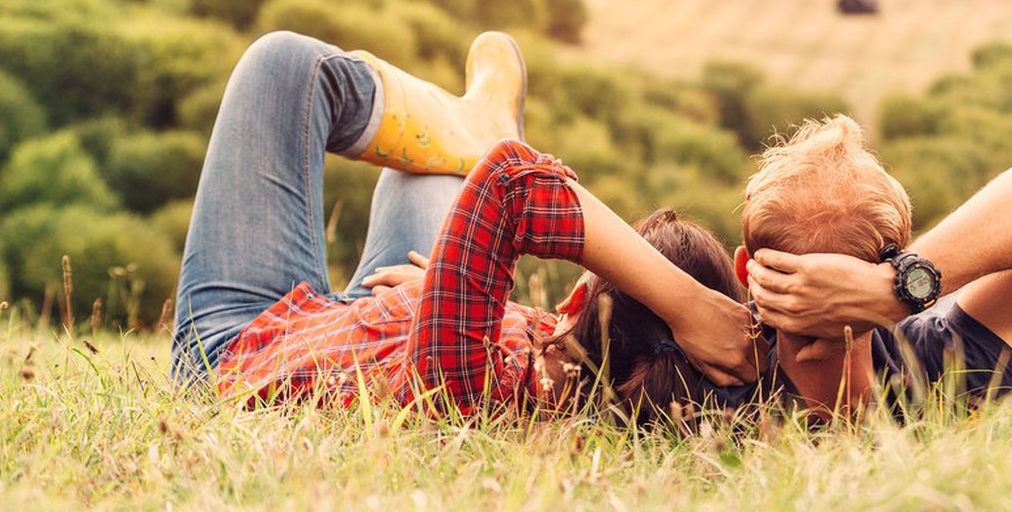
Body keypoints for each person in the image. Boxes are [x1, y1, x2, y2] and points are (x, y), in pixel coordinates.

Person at [171, 31, 763, 420]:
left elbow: (509, 180)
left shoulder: (463, 378)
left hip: (241, 354)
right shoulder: (546, 377)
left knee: (286, 69)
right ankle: (467, 130)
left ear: (578, 295)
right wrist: (441, 295)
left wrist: (687, 304)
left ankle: (478, 126)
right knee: (426, 178)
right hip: (366, 334)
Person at [736, 116, 1012, 419]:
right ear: (904, 257)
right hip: (939, 332)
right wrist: (901, 287)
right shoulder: (944, 369)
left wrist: (888, 290)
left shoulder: (714, 381)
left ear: (743, 271)